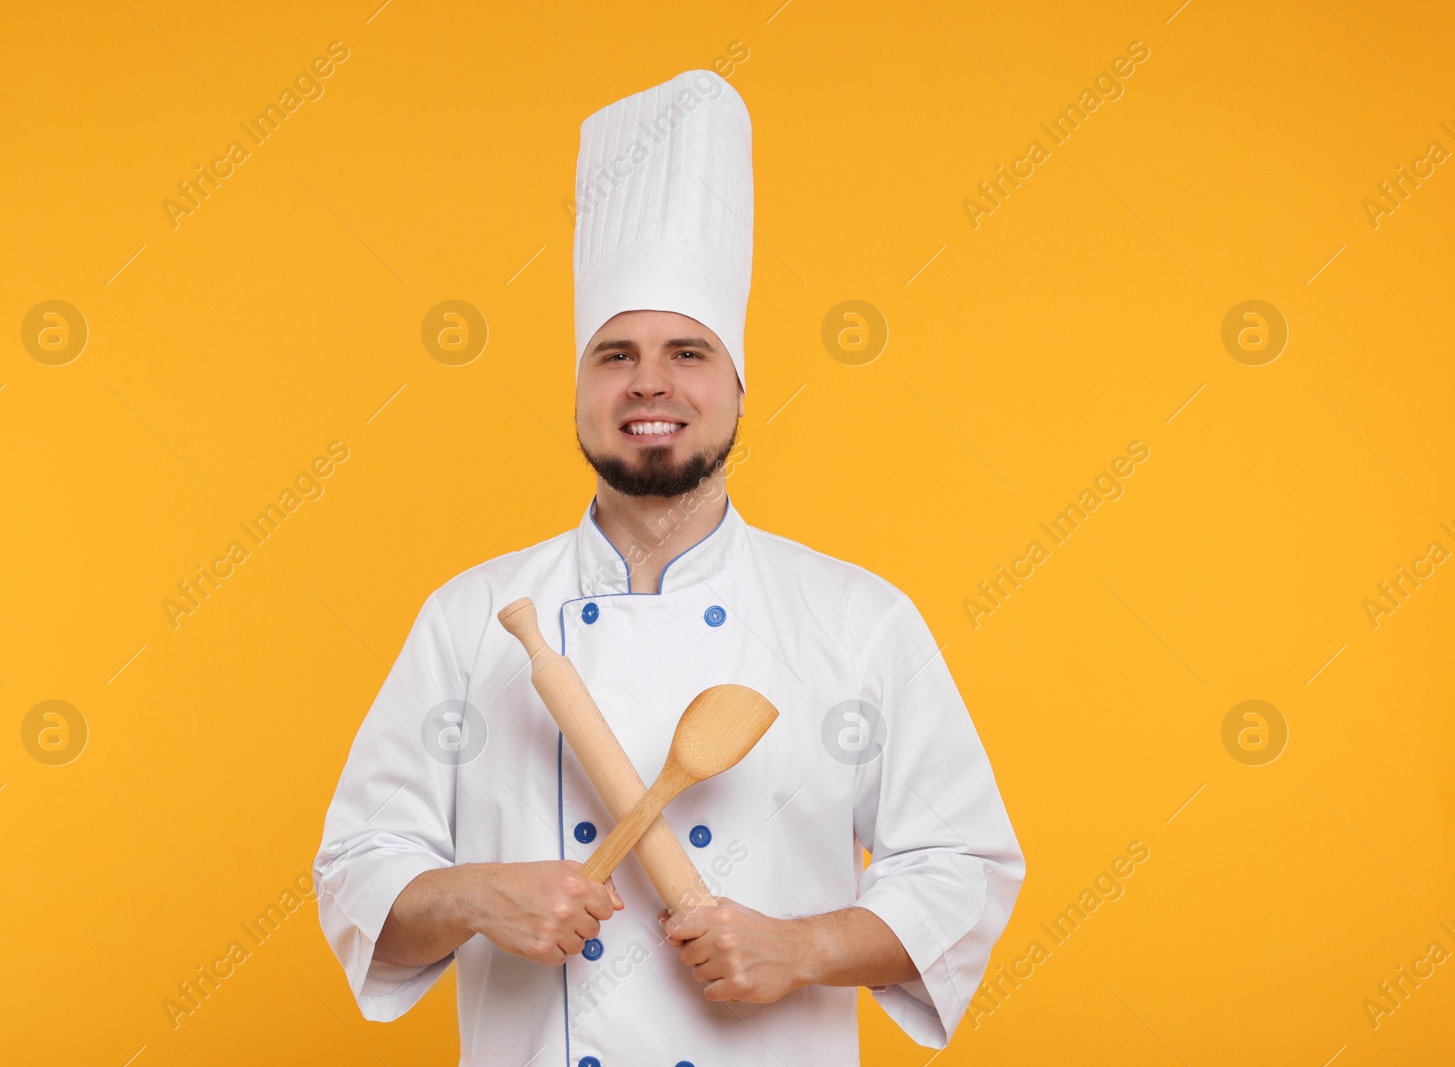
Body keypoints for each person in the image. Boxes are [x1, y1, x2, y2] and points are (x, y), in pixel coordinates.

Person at [314, 68, 1024, 1066]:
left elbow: (962, 866)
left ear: (739, 386)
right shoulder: (471, 619)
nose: (650, 382)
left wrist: (804, 945)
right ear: (577, 389)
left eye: (687, 350)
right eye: (615, 354)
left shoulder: (856, 618)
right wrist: (473, 892)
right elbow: (356, 871)